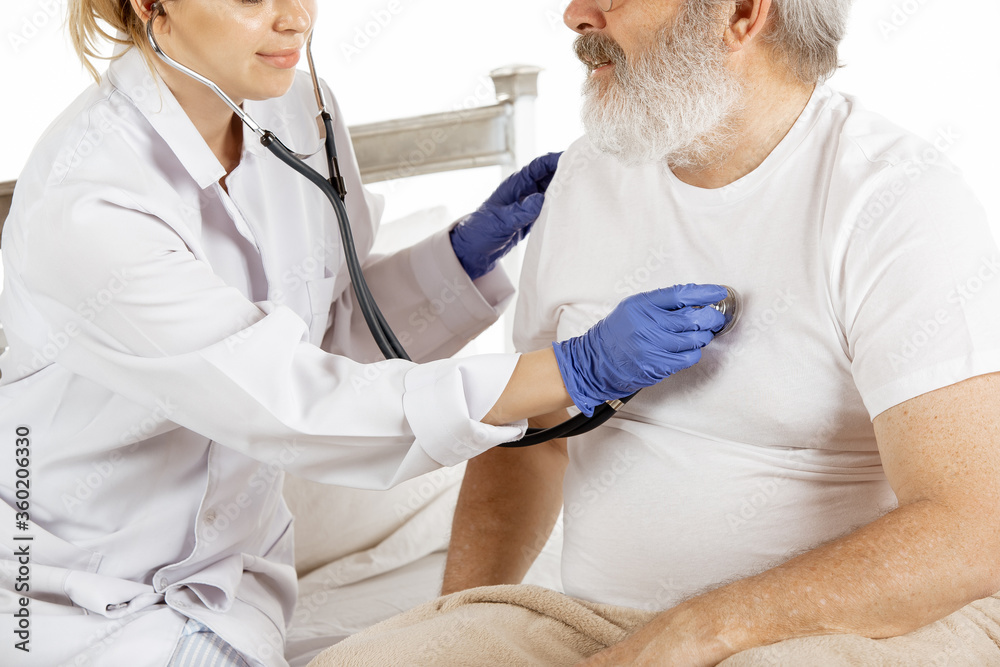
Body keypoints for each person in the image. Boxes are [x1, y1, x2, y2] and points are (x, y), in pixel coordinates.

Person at [0, 1, 731, 665]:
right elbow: (290, 402)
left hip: (235, 577)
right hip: (71, 593)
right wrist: (577, 369)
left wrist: (459, 258)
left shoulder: (293, 106)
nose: (296, 21)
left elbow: (318, 332)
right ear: (149, 5)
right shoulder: (91, 201)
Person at [307, 0, 1000, 665]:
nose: (576, 14)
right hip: (601, 626)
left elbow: (972, 528)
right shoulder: (587, 176)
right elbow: (529, 442)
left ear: (740, 13)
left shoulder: (894, 203)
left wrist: (698, 629)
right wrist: (456, 619)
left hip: (841, 629)